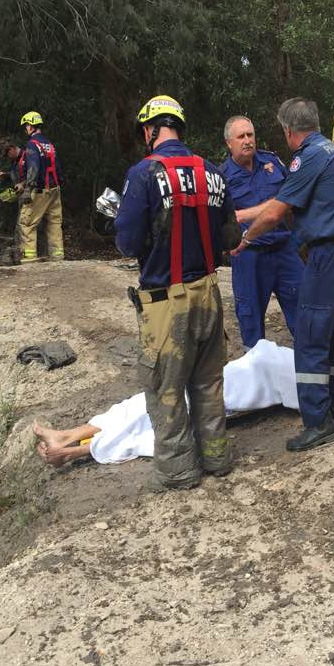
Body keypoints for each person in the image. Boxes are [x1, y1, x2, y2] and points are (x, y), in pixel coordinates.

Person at [114, 95, 241, 491]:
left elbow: (129, 244)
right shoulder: (213, 172)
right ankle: (217, 458)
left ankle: (179, 472)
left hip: (167, 303)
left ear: (150, 130)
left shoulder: (143, 174)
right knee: (207, 383)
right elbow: (231, 237)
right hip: (209, 294)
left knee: (165, 389)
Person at [237, 97, 334, 452]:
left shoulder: (307, 157)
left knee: (310, 337)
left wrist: (245, 240)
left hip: (327, 255)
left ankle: (317, 421)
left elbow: (277, 212)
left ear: (289, 130)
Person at [219, 115, 303, 350]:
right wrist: (275, 204)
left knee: (304, 312)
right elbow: (223, 221)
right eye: (241, 136)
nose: (247, 141)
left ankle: (310, 375)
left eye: (250, 135)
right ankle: (256, 379)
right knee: (250, 321)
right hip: (249, 257)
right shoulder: (221, 177)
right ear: (229, 143)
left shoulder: (272, 162)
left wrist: (250, 213)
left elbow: (294, 198)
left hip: (285, 250)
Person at [17, 111, 64, 263]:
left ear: (30, 126)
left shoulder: (32, 144)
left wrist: (28, 189)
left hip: (40, 190)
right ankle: (57, 256)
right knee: (54, 223)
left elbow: (33, 168)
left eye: (26, 126)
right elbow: (58, 168)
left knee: (27, 222)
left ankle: (29, 257)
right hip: (55, 190)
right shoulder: (49, 144)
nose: (26, 129)